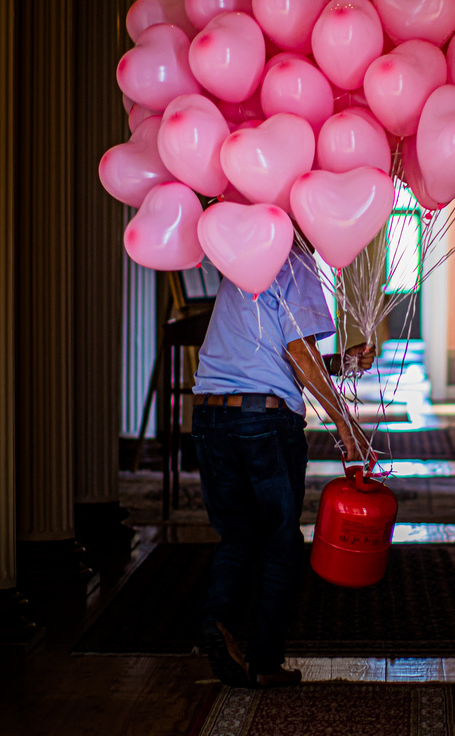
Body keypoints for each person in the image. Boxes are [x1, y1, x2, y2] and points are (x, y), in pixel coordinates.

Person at [191, 241, 374, 689]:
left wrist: (341, 363)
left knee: (236, 534)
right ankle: (266, 662)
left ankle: (217, 624)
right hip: (265, 422)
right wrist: (346, 427)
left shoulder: (247, 255)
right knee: (280, 542)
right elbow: (296, 353)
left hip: (209, 414)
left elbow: (274, 353)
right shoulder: (295, 261)